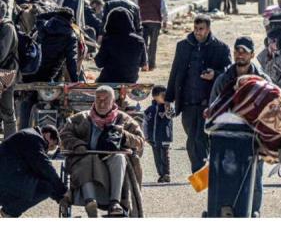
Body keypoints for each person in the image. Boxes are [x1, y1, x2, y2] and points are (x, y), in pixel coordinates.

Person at [60, 86, 144, 217]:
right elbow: (64, 135)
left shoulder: (125, 120)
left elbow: (140, 141)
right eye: (98, 99)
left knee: (119, 158)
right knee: (87, 158)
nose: (102, 103)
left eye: (106, 99)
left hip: (112, 163)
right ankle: (90, 201)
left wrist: (124, 136)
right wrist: (77, 144)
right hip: (85, 160)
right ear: (94, 100)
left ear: (113, 101)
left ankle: (115, 203)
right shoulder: (80, 119)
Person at [209, 36, 268, 217]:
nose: (240, 54)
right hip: (226, 136)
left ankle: (253, 211)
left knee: (253, 177)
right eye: (237, 50)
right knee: (223, 177)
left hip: (253, 137)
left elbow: (271, 110)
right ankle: (222, 210)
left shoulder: (263, 80)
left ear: (252, 54)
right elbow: (213, 109)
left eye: (244, 51)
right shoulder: (223, 80)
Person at [165, 14, 231, 173]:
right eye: (195, 28)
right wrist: (169, 98)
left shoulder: (221, 48)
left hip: (208, 103)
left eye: (201, 29)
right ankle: (205, 170)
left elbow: (229, 72)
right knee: (192, 139)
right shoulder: (183, 46)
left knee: (199, 139)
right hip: (187, 102)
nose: (197, 32)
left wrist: (214, 74)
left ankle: (200, 174)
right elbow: (175, 73)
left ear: (208, 29)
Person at [0, 125, 67, 218]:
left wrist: (59, 196)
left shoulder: (28, 134)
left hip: (8, 177)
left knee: (42, 182)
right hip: (5, 182)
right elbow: (46, 168)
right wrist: (63, 191)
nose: (46, 150)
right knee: (46, 188)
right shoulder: (34, 138)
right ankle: (10, 212)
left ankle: (9, 210)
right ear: (47, 135)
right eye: (50, 146)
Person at [95, 7, 148, 83]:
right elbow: (143, 63)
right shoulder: (139, 40)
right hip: (130, 80)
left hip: (109, 80)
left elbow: (99, 63)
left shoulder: (108, 40)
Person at [136, 0, 168, 71]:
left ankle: (143, 64)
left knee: (143, 43)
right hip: (156, 20)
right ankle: (152, 65)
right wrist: (165, 19)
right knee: (153, 44)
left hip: (143, 20)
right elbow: (163, 6)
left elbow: (136, 6)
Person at [143, 85, 173, 183]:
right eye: (163, 95)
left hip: (164, 136)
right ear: (155, 97)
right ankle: (161, 174)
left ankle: (166, 174)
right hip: (153, 137)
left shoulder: (168, 106)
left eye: (166, 95)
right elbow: (145, 123)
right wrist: (145, 135)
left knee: (165, 155)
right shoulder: (150, 109)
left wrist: (168, 107)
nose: (165, 97)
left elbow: (171, 115)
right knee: (157, 156)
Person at [0, 0, 18, 137]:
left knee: (7, 110)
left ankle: (11, 143)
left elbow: (2, 53)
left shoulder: (7, 28)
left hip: (6, 73)